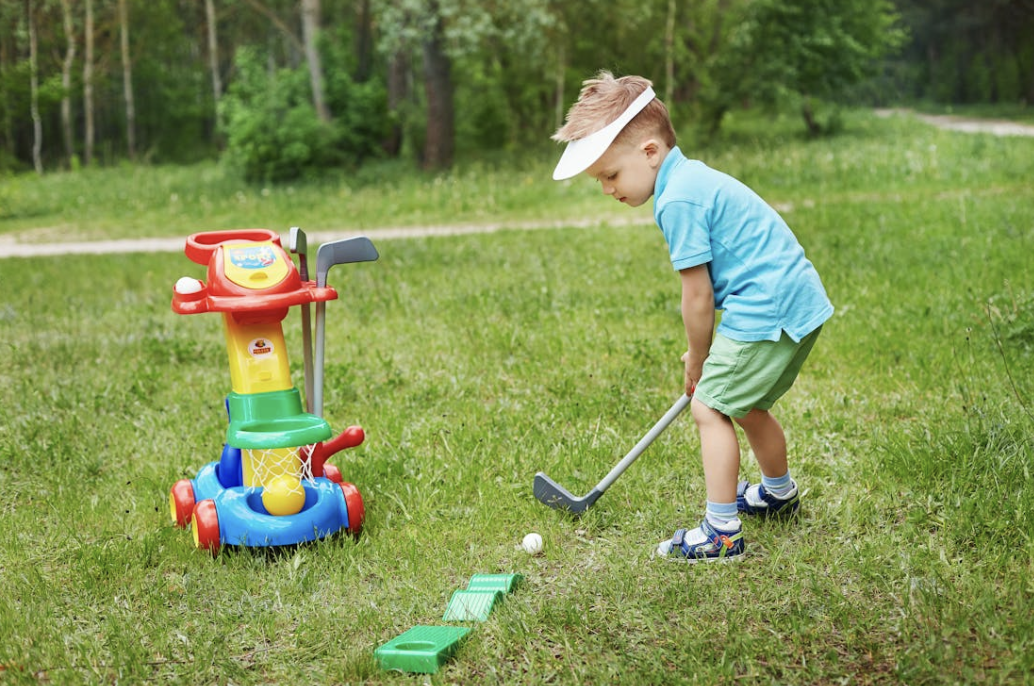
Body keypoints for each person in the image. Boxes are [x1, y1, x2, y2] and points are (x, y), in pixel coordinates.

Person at [551, 71, 833, 562]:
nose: (607, 190)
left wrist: (698, 359)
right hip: (795, 302)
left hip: (767, 308)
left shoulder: (678, 199)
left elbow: (698, 296)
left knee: (709, 406)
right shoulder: (690, 178)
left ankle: (722, 531)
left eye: (610, 175)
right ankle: (777, 493)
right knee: (744, 402)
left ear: (650, 152)